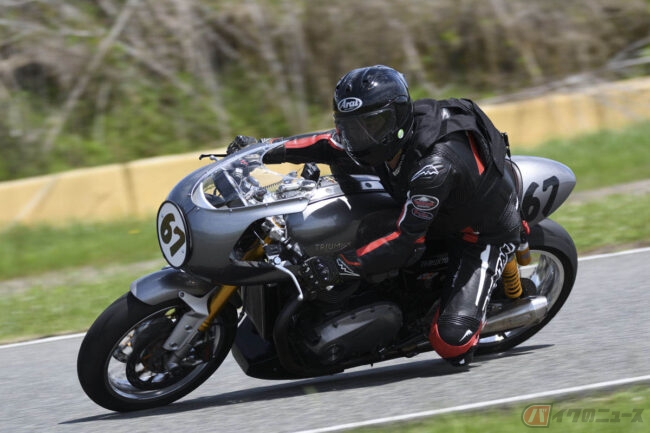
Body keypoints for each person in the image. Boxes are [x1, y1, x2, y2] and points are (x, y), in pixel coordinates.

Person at [227, 65, 522, 366]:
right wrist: (261, 150)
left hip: (480, 231)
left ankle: (448, 319)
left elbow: (404, 241)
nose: (359, 136)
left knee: (450, 342)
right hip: (435, 208)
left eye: (372, 125)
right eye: (351, 127)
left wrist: (338, 266)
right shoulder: (381, 141)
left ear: (398, 118)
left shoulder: (434, 168)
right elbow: (327, 143)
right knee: (352, 228)